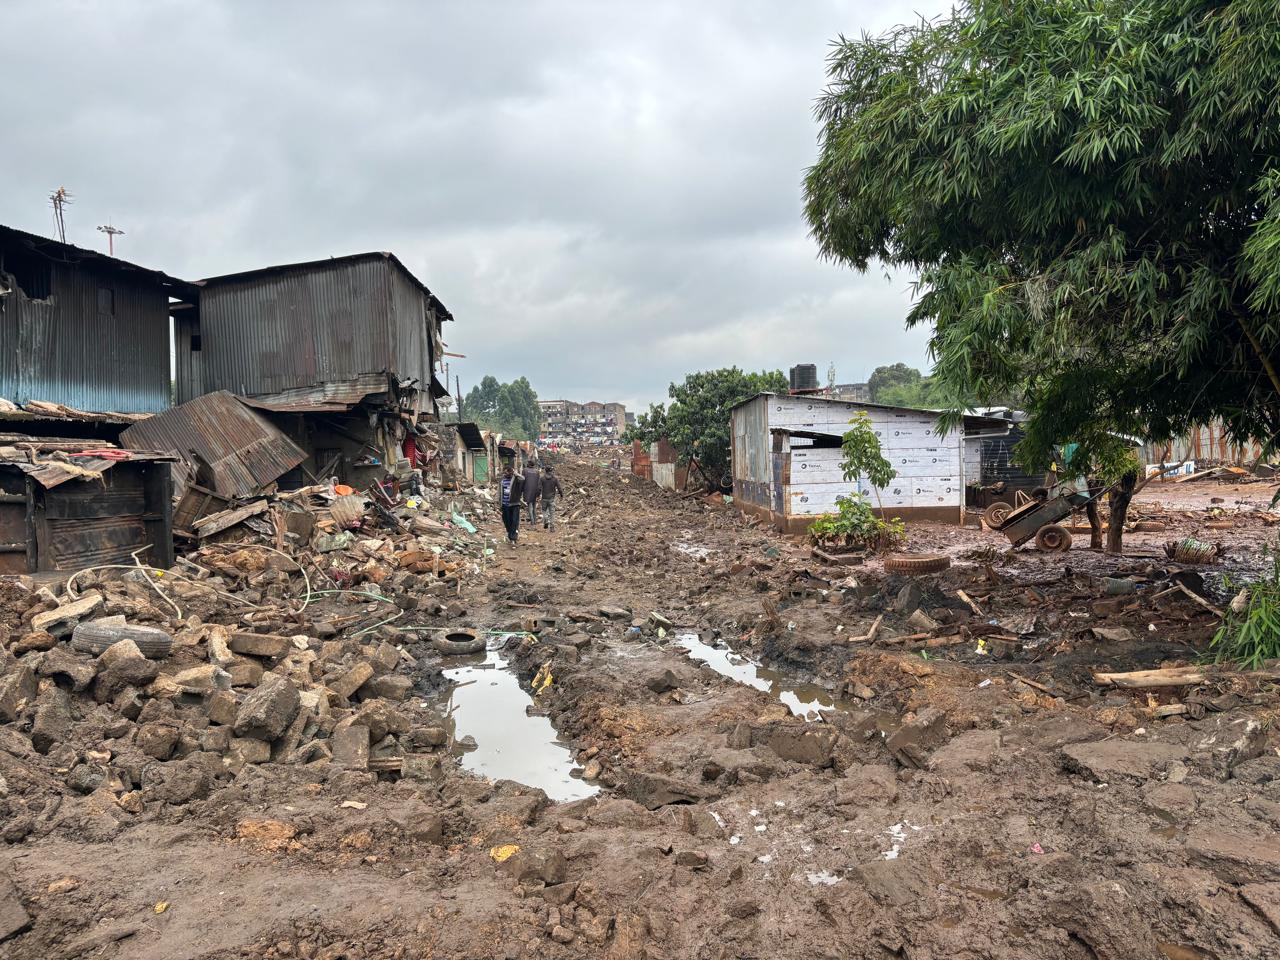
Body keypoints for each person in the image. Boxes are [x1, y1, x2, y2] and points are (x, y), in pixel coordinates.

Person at [499, 463, 524, 546]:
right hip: (505, 504)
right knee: (507, 521)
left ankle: (513, 538)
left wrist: (515, 473)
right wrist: (498, 502)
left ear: (511, 472)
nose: (506, 474)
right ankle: (510, 534)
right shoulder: (502, 480)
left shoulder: (516, 478)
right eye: (504, 472)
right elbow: (499, 491)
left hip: (515, 503)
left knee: (514, 521)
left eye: (507, 472)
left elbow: (523, 478)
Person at [540, 464, 564, 531]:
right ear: (551, 470)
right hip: (551, 498)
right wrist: (561, 495)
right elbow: (559, 487)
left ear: (545, 471)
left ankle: (545, 520)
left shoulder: (542, 478)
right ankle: (552, 527)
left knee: (544, 511)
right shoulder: (555, 478)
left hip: (544, 497)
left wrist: (537, 495)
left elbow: (539, 488)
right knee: (552, 513)